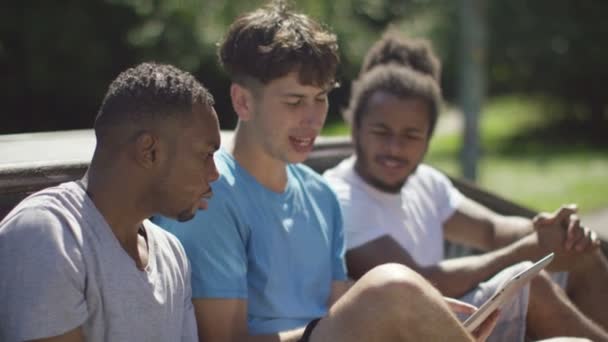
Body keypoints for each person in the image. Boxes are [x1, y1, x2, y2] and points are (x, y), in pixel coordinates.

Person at [152, 2, 498, 341]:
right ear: (243, 102)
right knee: (393, 285)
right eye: (294, 101)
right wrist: (381, 309)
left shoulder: (322, 196)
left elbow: (338, 310)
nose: (313, 118)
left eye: (320, 97)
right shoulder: (208, 196)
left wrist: (418, 317)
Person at [323, 31, 608, 341]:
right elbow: (420, 284)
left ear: (428, 138)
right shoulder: (341, 195)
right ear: (355, 129)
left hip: (452, 310)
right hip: (409, 326)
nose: (395, 148)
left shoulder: (425, 181)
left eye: (411, 135)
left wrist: (555, 232)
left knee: (582, 254)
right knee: (530, 283)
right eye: (382, 132)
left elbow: (493, 230)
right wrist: (530, 249)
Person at [0, 62, 221, 341]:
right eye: (206, 155)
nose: (215, 174)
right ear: (149, 151)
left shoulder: (171, 254)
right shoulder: (46, 235)